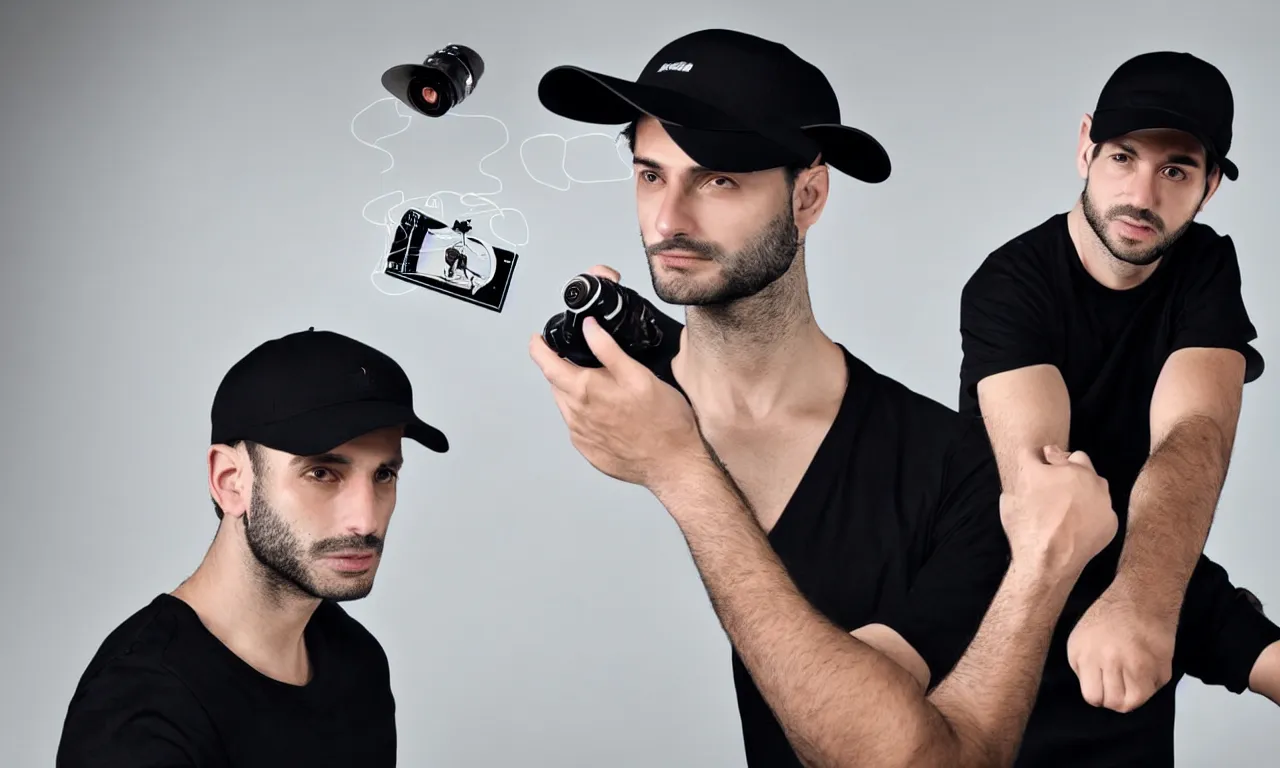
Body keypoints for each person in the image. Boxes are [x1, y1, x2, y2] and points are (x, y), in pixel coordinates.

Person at [529, 28, 1118, 768]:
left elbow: (891, 754)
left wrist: (678, 468)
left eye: (718, 180)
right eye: (651, 176)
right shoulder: (591, 404)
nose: (668, 220)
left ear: (808, 194)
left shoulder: (954, 469)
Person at [957, 51, 1280, 766]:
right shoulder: (1010, 284)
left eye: (1176, 171)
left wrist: (1147, 602)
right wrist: (1161, 605)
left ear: (1211, 186)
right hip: (1009, 612)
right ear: (1084, 146)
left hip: (1148, 594)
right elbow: (1049, 497)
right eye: (1123, 157)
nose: (1142, 194)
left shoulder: (1203, 268)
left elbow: (1195, 434)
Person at [55, 327, 450, 767]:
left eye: (383, 475)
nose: (365, 520)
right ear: (230, 481)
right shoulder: (142, 709)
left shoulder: (356, 659)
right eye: (321, 474)